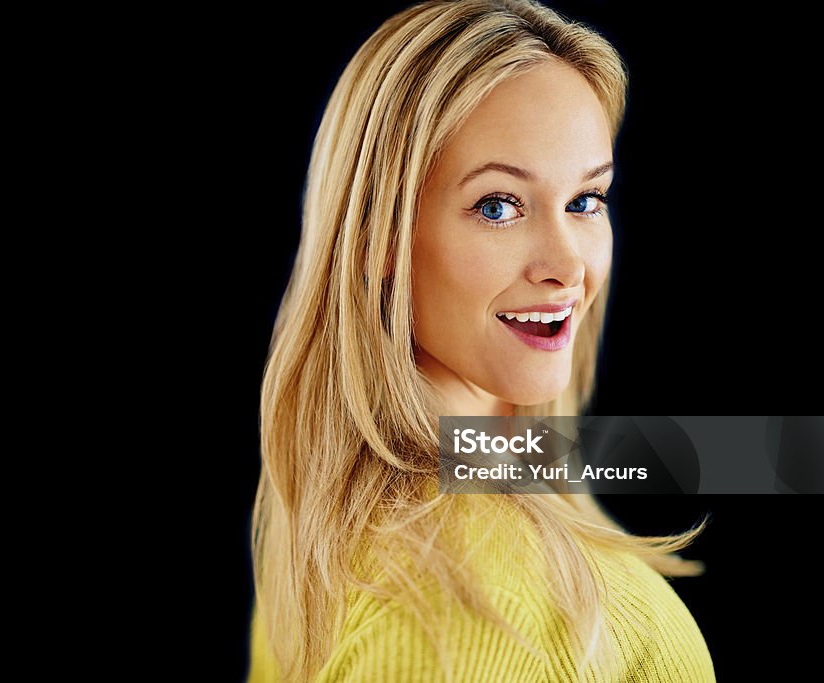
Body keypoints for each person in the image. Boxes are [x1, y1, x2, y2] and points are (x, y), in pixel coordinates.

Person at [250, 1, 713, 680]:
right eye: (498, 205)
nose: (569, 266)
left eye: (586, 201)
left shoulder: (326, 520)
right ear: (380, 236)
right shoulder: (466, 607)